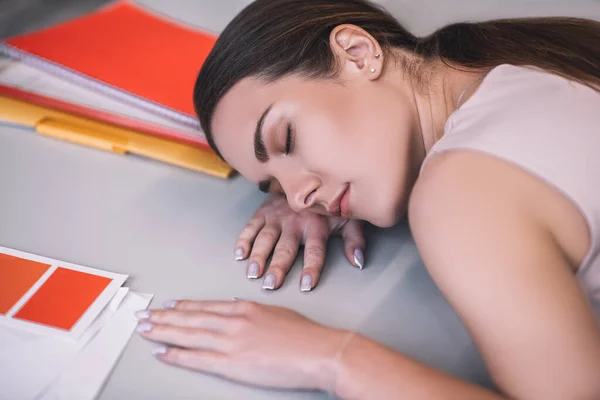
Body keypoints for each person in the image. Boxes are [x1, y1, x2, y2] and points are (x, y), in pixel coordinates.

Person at [134, 0, 600, 398]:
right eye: (276, 186)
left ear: (357, 53)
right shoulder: (531, 58)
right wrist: (302, 178)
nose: (299, 199)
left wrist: (331, 358)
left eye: (288, 137)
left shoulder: (460, 195)